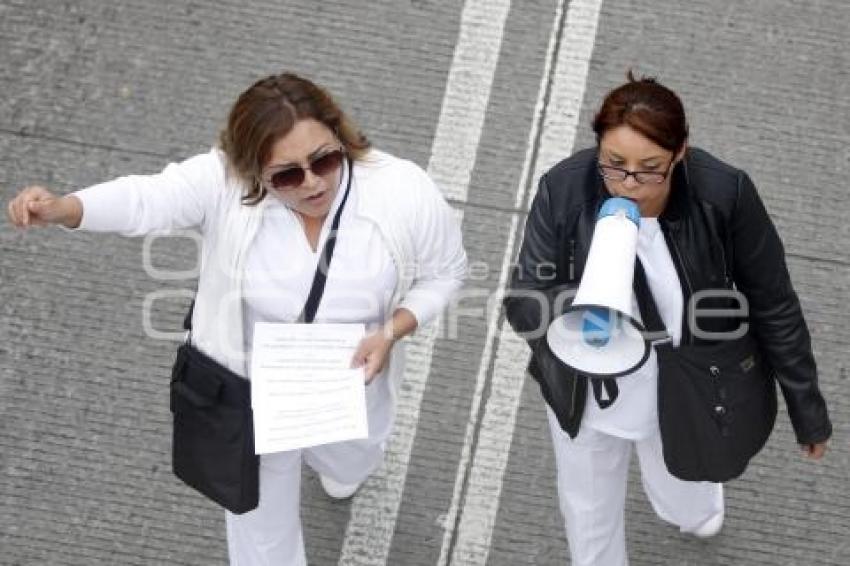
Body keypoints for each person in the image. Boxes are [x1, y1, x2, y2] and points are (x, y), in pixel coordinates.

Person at [7, 72, 467, 565]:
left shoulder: (402, 190)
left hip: (350, 384)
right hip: (248, 391)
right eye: (287, 175)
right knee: (261, 540)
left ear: (340, 138)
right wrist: (65, 208)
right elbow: (147, 199)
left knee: (353, 459)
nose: (312, 182)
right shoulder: (222, 182)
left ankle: (344, 465)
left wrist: (392, 331)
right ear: (253, 172)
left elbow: (446, 274)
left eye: (325, 159)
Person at [503, 72, 831, 566]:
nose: (630, 185)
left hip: (687, 379)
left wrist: (806, 408)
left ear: (680, 153)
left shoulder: (724, 194)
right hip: (585, 387)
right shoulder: (565, 189)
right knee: (588, 503)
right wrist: (577, 304)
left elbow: (774, 301)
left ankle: (693, 508)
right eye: (614, 166)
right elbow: (524, 295)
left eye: (650, 168)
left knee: (685, 479)